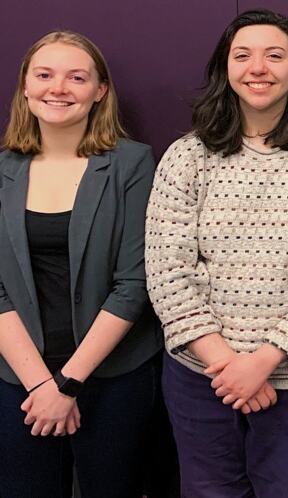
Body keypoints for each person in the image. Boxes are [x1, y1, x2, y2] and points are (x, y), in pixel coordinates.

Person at [145, 9, 288, 498]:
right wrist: (228, 365)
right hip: (203, 378)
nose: (258, 67)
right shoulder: (187, 156)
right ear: (224, 69)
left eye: (275, 55)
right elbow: (167, 271)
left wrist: (264, 362)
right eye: (242, 55)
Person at [0, 31, 162, 498]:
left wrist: (68, 383)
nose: (59, 88)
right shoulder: (3, 172)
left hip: (112, 378)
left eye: (77, 77)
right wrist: (42, 387)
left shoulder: (132, 164)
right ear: (26, 87)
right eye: (45, 75)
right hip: (20, 379)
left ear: (100, 91)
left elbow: (133, 285)